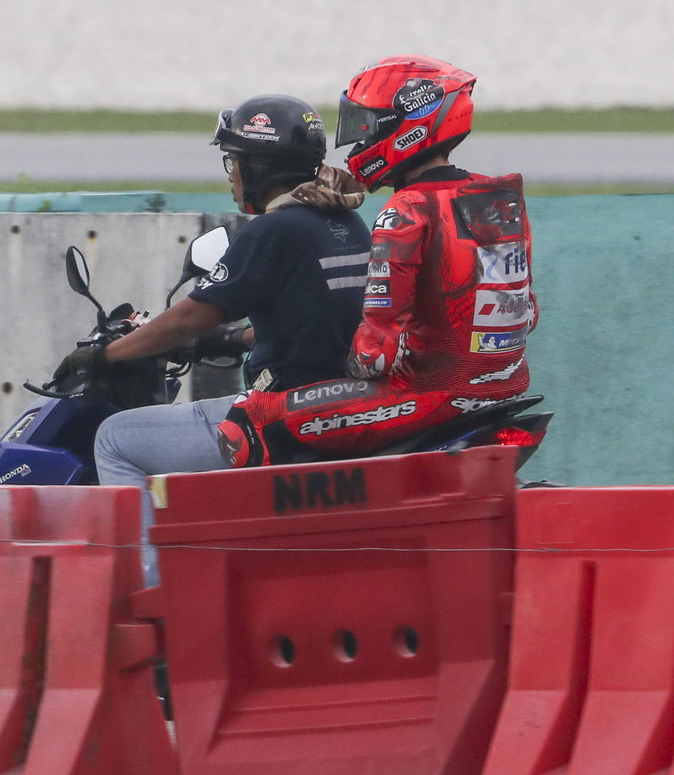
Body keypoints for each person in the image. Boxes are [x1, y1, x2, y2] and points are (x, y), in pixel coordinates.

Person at [54, 93, 372, 584]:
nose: (231, 173)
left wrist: (102, 356)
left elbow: (187, 317)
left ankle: (152, 596)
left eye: (235, 160)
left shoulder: (275, 230)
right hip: (333, 401)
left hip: (280, 412)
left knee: (116, 439)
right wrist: (226, 341)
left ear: (260, 166)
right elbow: (313, 314)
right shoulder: (346, 222)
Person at [216, 55, 540, 466]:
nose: (359, 141)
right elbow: (527, 315)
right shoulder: (499, 197)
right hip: (506, 387)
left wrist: (342, 371)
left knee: (250, 418)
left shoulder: (406, 210)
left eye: (366, 126)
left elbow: (375, 355)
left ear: (404, 129)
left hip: (429, 395)